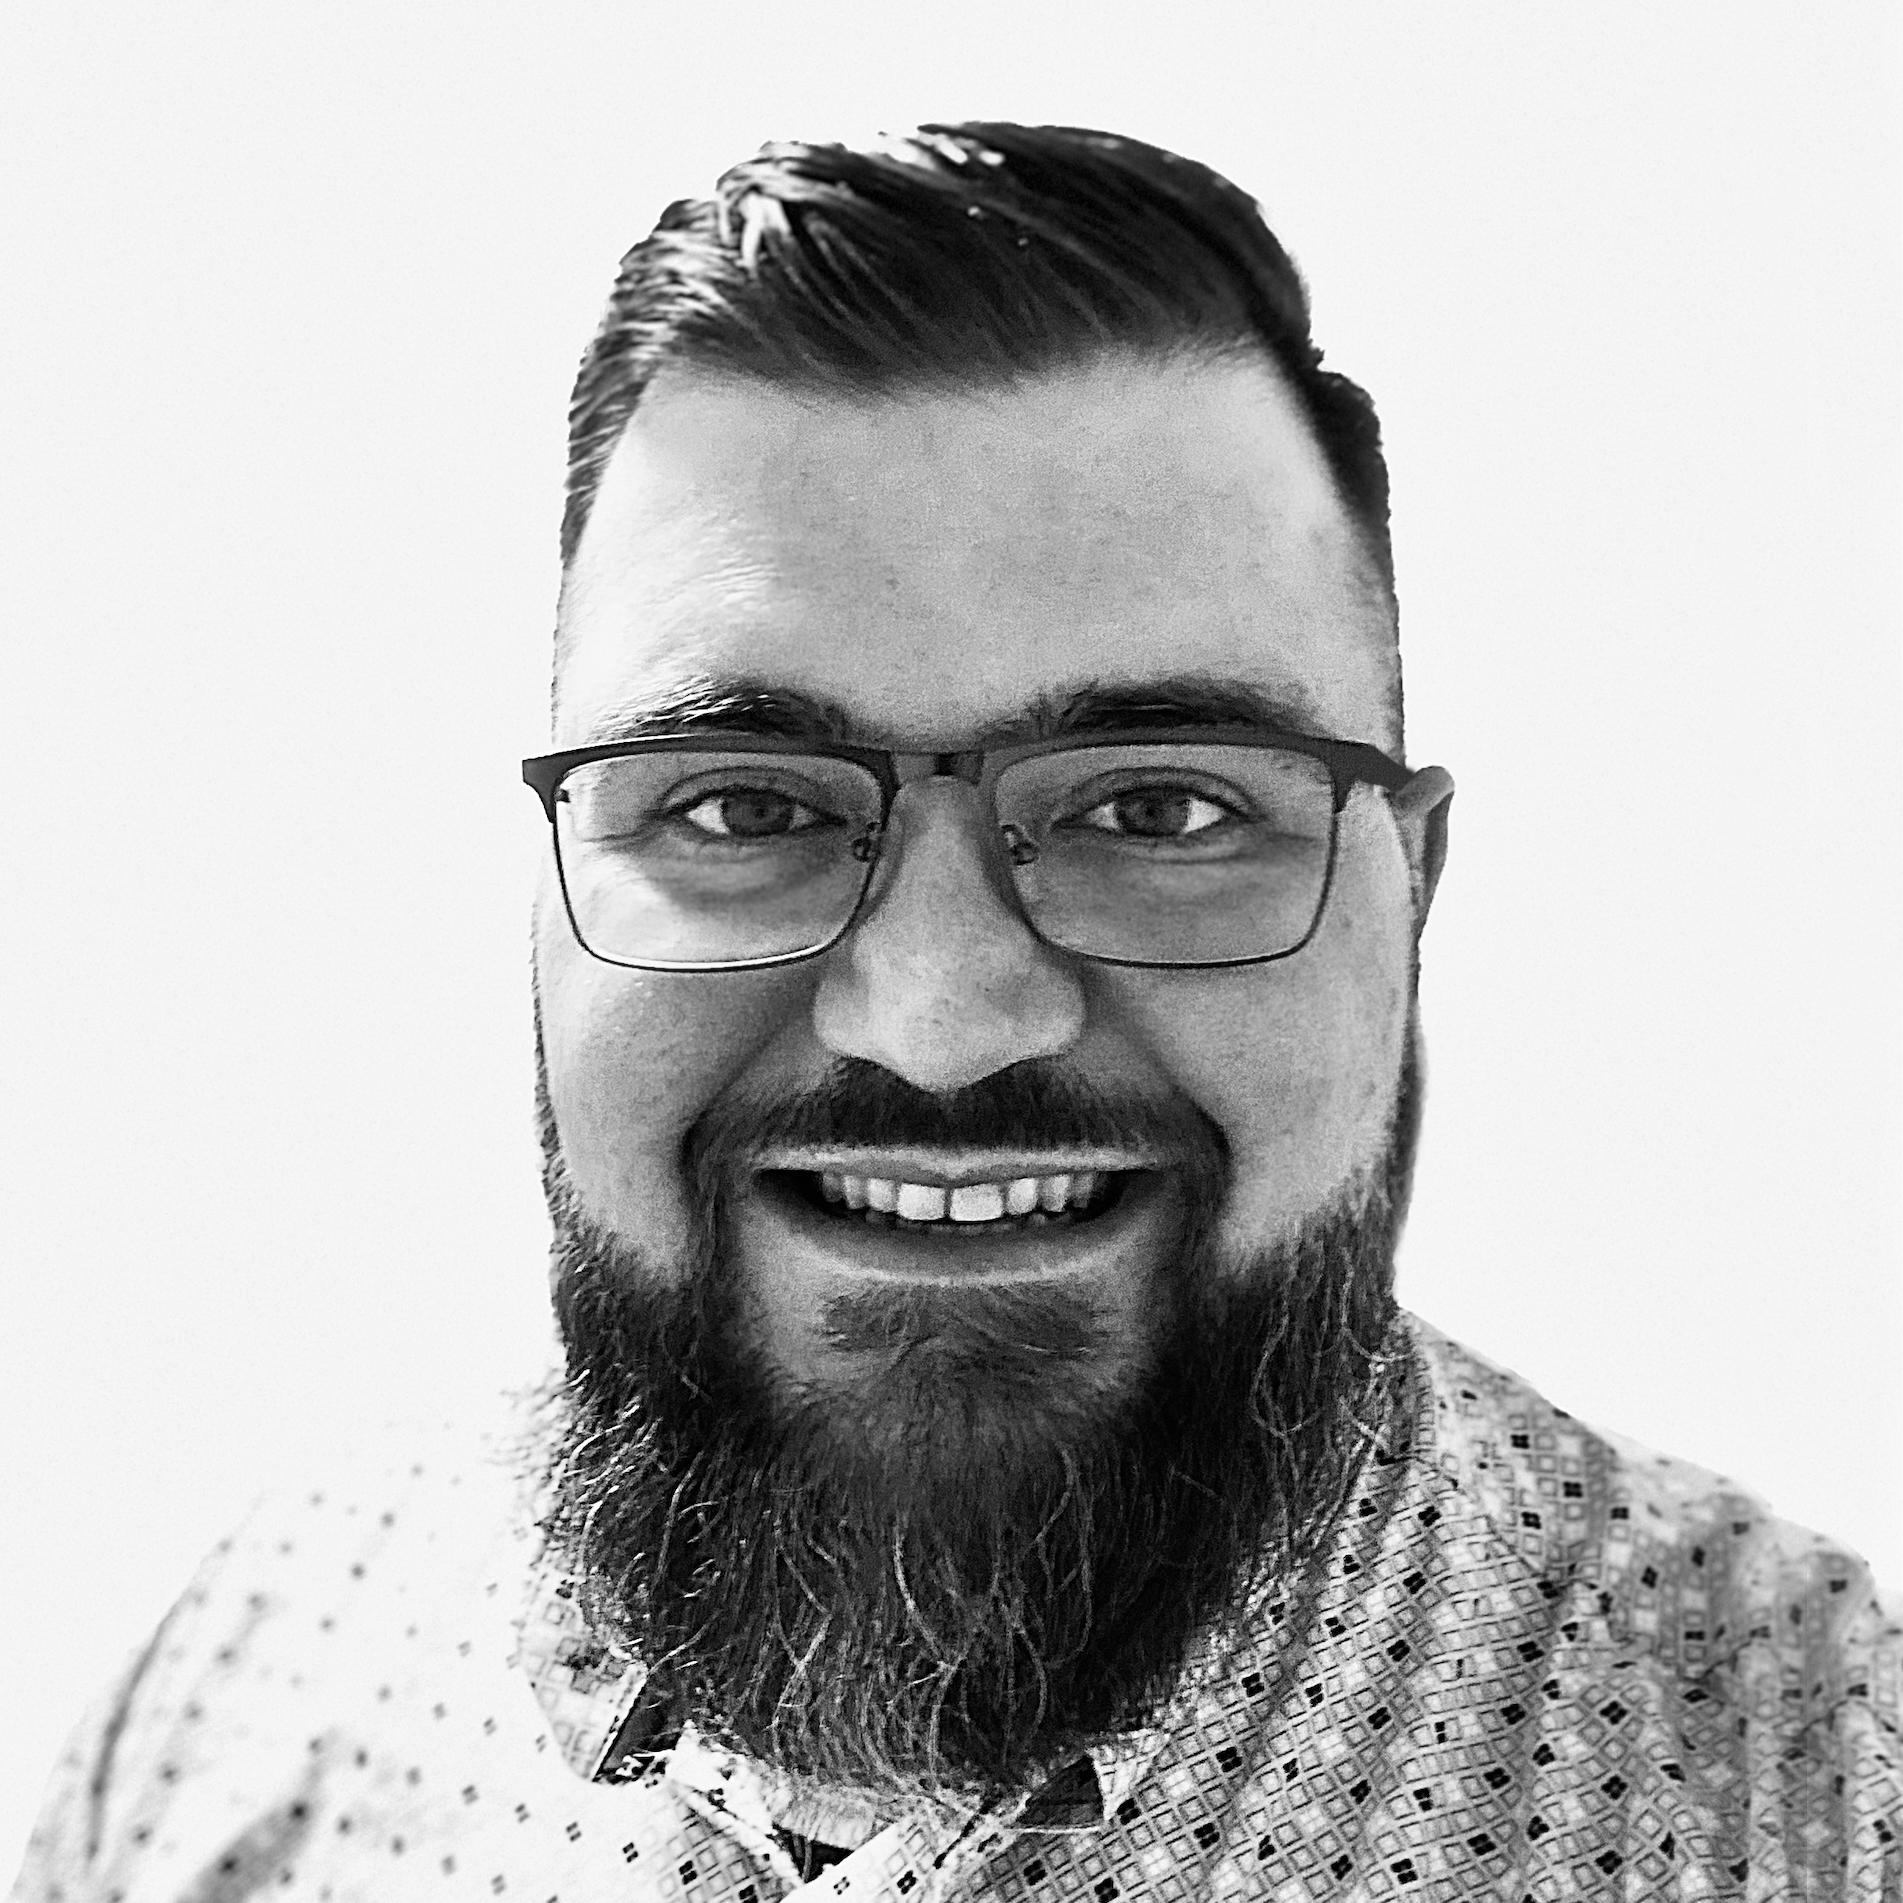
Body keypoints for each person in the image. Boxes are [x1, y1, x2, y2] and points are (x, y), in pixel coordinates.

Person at [12, 121, 1900, 1903]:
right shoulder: (266, 1669)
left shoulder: (1821, 1786)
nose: (936, 1023)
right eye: (739, 808)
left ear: (1412, 896)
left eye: (1161, 810)